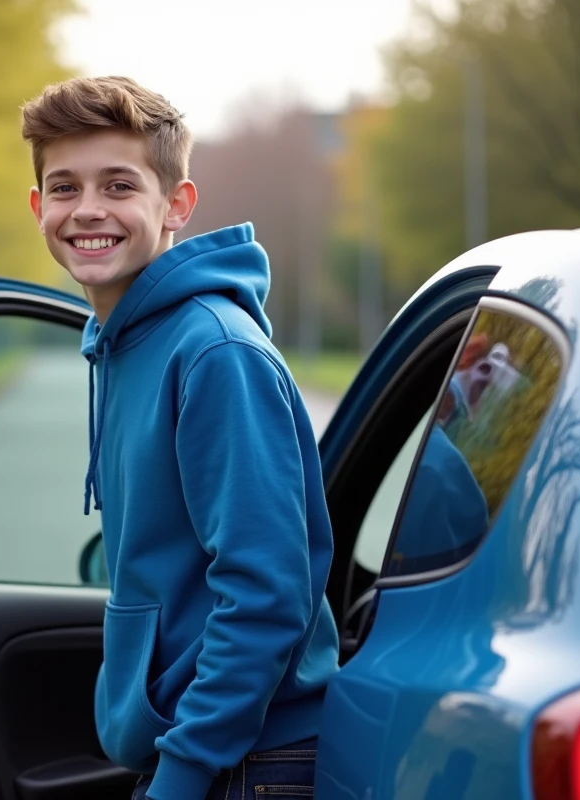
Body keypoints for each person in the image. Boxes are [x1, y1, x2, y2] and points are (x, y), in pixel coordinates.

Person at [20, 76, 340, 800]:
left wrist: (183, 775)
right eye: (64, 187)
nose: (89, 210)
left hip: (250, 762)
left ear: (176, 205)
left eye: (119, 185)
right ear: (39, 208)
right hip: (203, 752)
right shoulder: (128, 341)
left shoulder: (214, 353)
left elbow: (265, 592)